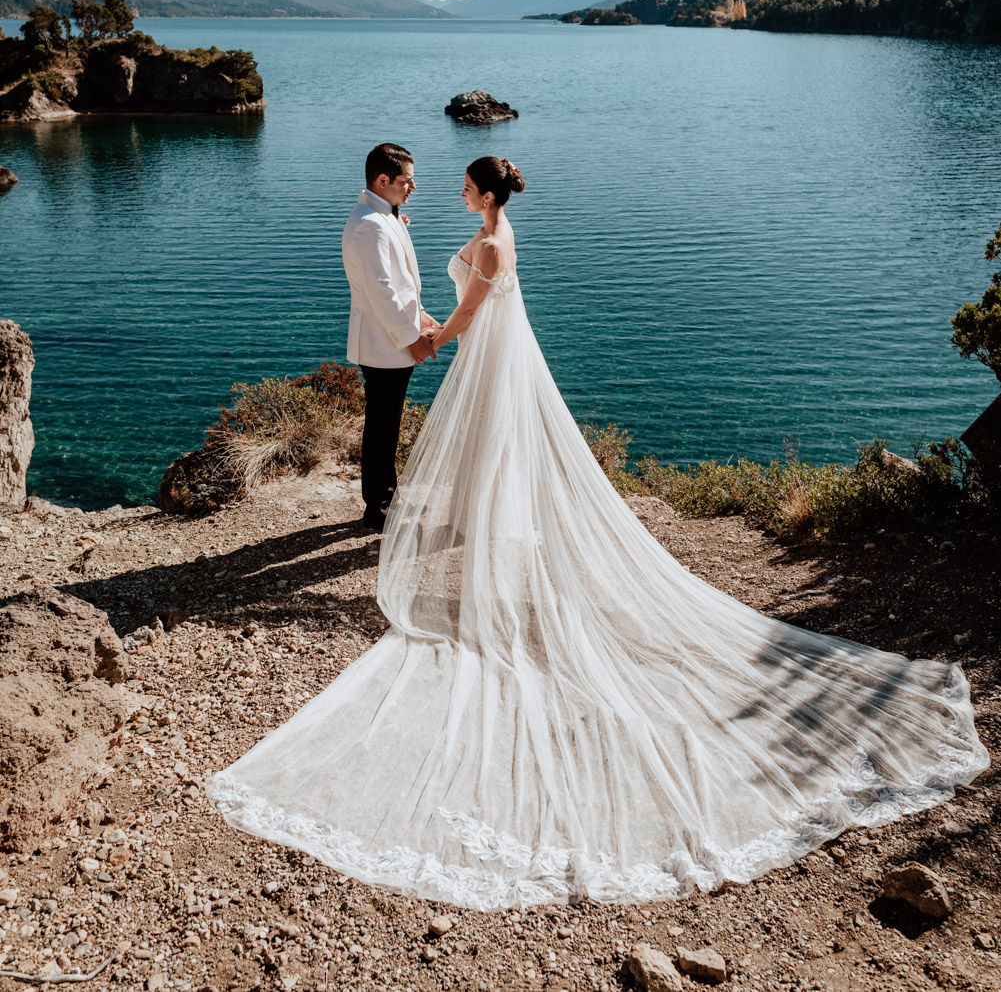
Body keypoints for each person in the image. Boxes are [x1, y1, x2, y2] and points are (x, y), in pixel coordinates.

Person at [206, 156, 988, 911]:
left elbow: (475, 308)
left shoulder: (485, 240)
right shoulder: (495, 233)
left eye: (465, 183)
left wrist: (433, 339)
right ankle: (490, 523)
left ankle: (485, 529)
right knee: (494, 444)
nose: (452, 189)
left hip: (481, 352)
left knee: (482, 442)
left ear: (484, 193)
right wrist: (440, 331)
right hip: (498, 356)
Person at [340, 142, 439, 532]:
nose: (412, 187)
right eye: (405, 180)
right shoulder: (370, 226)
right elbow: (382, 293)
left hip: (391, 341)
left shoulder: (383, 215)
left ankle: (386, 497)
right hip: (383, 346)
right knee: (382, 426)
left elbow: (401, 286)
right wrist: (412, 339)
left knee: (387, 423)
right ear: (382, 181)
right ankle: (378, 508)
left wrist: (423, 318)